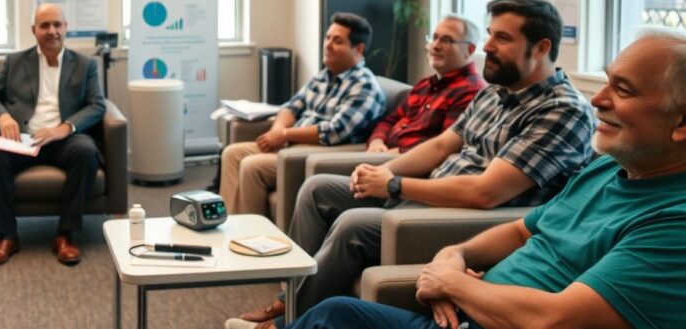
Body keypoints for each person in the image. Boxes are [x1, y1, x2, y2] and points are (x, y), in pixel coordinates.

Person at [230, 0, 596, 328]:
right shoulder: (495, 94)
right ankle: (291, 302)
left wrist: (393, 185)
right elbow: (439, 147)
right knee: (319, 188)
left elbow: (487, 192)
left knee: (353, 224)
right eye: (489, 35)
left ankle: (282, 322)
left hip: (464, 214)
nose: (487, 47)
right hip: (429, 191)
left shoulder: (561, 110)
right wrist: (386, 170)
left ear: (542, 46)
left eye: (502, 38)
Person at [286, 30, 686, 329]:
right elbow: (521, 230)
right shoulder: (605, 167)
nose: (598, 99)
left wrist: (454, 284)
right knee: (333, 314)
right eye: (606, 80)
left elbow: (557, 319)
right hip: (465, 314)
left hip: (486, 310)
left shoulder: (673, 222)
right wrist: (455, 255)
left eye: (624, 90)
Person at [0, 3, 106, 268]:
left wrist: (65, 128)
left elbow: (97, 105)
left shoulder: (85, 65)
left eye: (57, 24)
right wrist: (3, 116)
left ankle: (65, 235)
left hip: (63, 139)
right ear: (34, 30)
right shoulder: (14, 62)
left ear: (66, 28)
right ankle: (7, 236)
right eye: (45, 25)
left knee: (87, 151)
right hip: (24, 138)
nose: (52, 31)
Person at [219, 13, 386, 215]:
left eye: (338, 41)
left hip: (315, 151)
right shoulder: (324, 76)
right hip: (290, 144)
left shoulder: (364, 86)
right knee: (232, 153)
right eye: (328, 38)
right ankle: (228, 223)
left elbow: (335, 131)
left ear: (358, 49)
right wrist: (278, 129)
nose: (328, 45)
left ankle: (250, 235)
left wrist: (285, 135)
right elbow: (292, 106)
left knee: (251, 166)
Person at [366, 14, 486, 155]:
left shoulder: (471, 91)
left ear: (470, 50)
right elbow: (389, 120)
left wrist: (394, 153)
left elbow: (443, 146)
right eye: (434, 38)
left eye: (447, 40)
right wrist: (377, 141)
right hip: (382, 154)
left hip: (409, 163)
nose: (435, 46)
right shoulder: (424, 85)